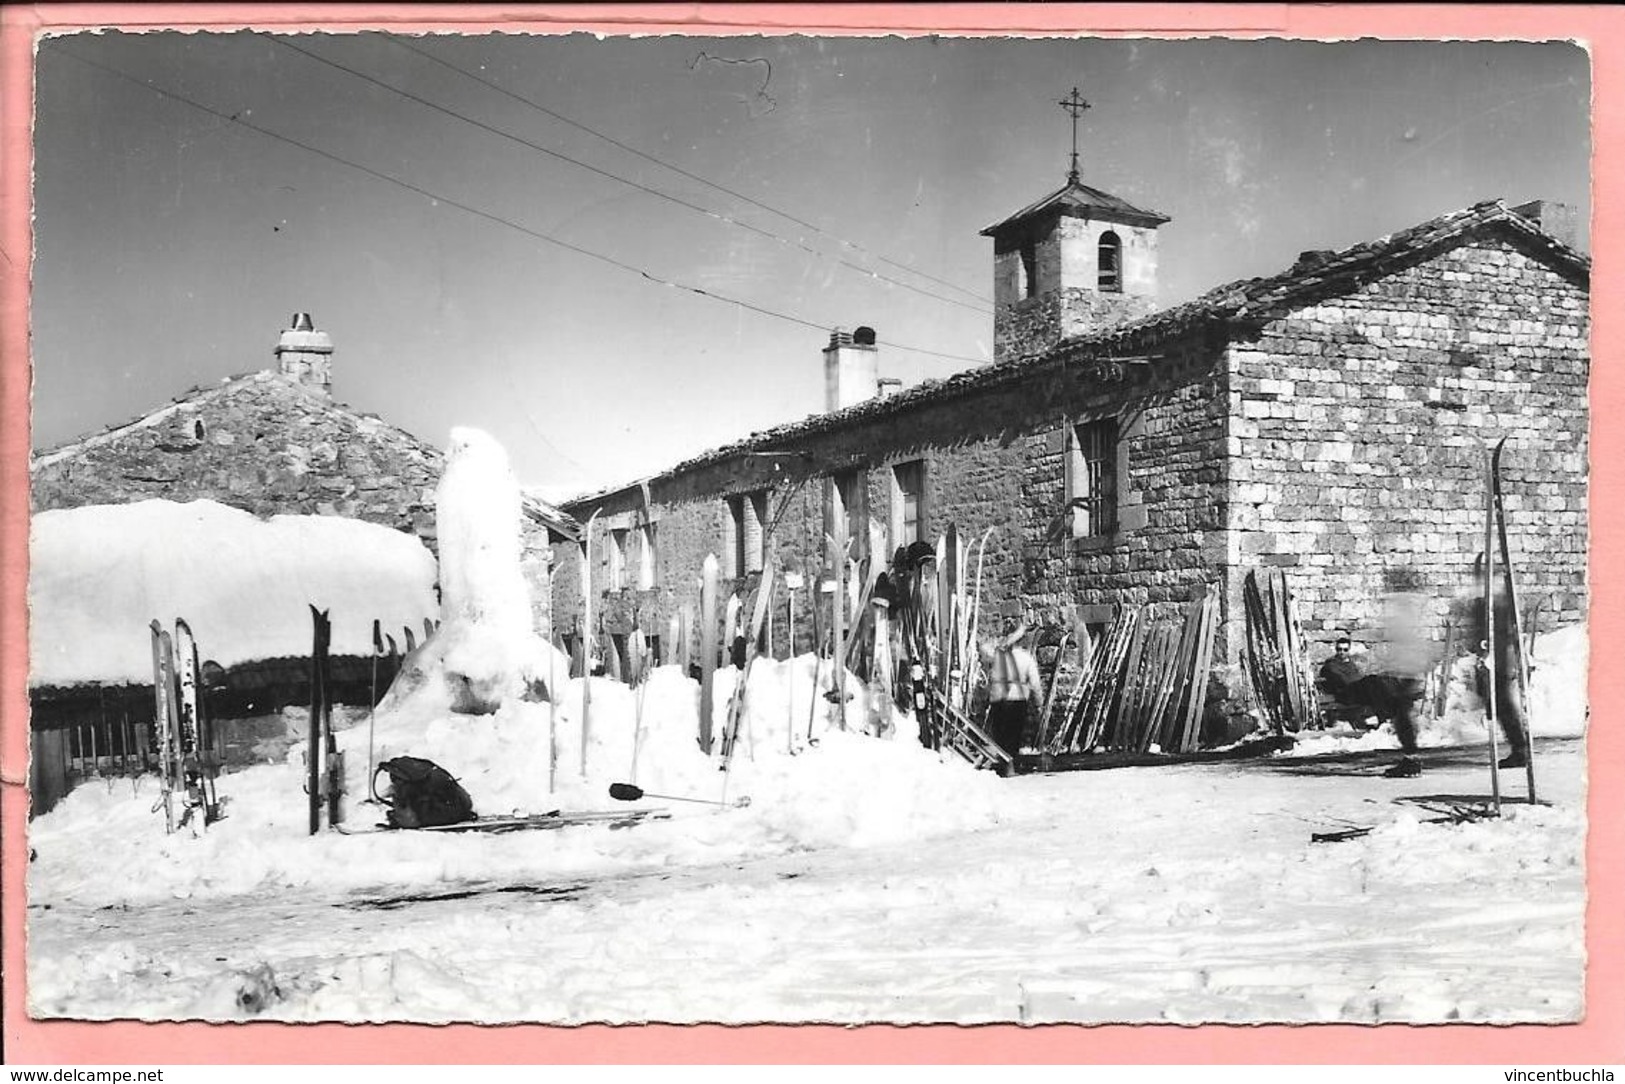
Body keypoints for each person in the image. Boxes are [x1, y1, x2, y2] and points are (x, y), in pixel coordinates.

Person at [1467, 560, 1530, 770]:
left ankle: (1520, 748)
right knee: (1503, 702)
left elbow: (1500, 629)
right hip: (1500, 656)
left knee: (1505, 702)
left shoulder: (1498, 601)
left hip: (1503, 656)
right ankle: (1519, 746)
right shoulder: (1491, 599)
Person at [979, 618, 1042, 772]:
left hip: (998, 699)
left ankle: (1005, 765)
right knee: (1014, 735)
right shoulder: (1026, 658)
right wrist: (1039, 702)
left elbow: (983, 649)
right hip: (1017, 700)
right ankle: (1010, 766)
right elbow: (1035, 683)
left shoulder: (995, 655)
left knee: (1000, 735)